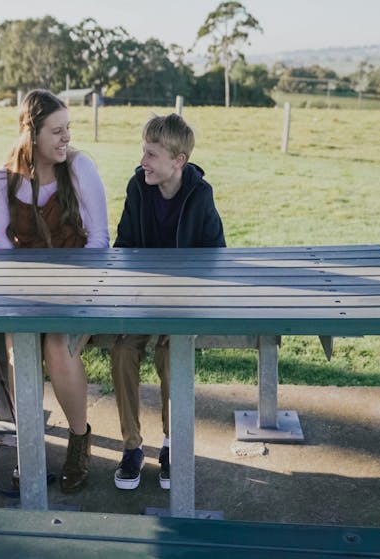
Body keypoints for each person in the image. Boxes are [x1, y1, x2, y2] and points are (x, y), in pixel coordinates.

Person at [0, 89, 109, 493]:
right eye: (56, 131)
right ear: (31, 133)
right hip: (26, 293)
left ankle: (79, 437)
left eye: (68, 129)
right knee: (17, 345)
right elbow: (3, 254)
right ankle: (29, 449)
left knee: (58, 344)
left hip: (81, 288)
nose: (66, 139)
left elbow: (99, 241)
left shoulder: (79, 169)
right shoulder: (3, 180)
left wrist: (70, 291)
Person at [111, 113, 226, 490]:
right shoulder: (137, 186)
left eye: (151, 154)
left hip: (182, 301)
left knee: (170, 352)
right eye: (143, 152)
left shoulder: (200, 193)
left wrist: (185, 301)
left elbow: (216, 255)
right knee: (123, 350)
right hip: (142, 297)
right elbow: (124, 244)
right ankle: (131, 446)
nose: (143, 161)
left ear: (179, 161)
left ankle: (172, 443)